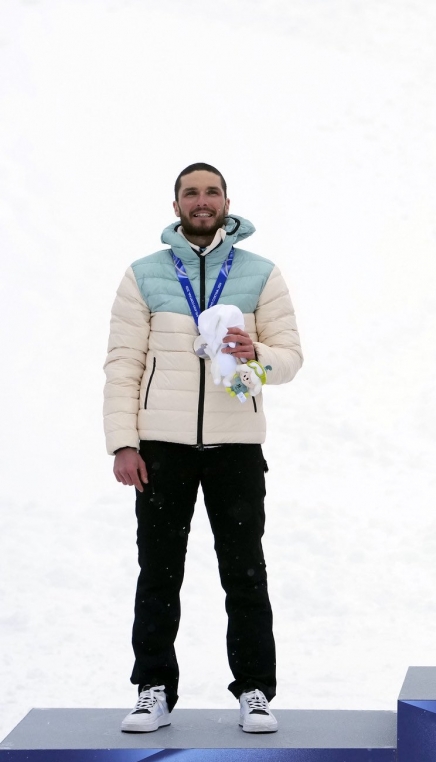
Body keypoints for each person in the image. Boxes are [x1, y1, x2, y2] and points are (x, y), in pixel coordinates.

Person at [103, 163, 303, 732]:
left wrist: (255, 352)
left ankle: (255, 692)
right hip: (161, 447)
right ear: (176, 207)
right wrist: (123, 442)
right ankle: (153, 689)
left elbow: (290, 357)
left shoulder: (261, 274)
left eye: (211, 191)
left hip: (235, 446)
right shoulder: (143, 275)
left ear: (226, 202)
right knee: (158, 571)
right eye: (191, 193)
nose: (201, 201)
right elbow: (123, 365)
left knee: (244, 572)